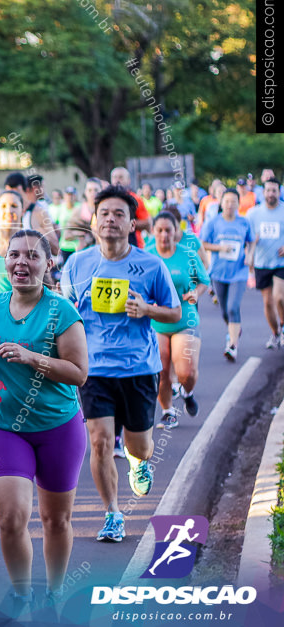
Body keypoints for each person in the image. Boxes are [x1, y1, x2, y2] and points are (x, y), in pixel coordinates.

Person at [0, 229, 88, 610]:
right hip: (6, 428)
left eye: (32, 256)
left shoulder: (62, 312)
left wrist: (32, 357)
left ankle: (54, 594)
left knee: (55, 520)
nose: (21, 262)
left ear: (48, 264)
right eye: (14, 255)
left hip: (58, 427)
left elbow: (78, 373)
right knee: (11, 518)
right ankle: (22, 594)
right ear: (5, 262)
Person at [60, 185, 180, 543]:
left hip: (139, 368)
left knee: (139, 445)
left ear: (132, 225)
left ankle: (139, 462)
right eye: (104, 214)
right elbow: (64, 312)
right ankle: (113, 513)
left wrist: (147, 310)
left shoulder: (150, 265)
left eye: (119, 215)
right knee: (98, 443)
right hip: (93, 369)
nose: (110, 220)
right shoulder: (77, 264)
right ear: (94, 222)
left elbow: (174, 312)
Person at [147, 212, 209, 428]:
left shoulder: (188, 254)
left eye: (168, 230)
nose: (164, 235)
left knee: (186, 373)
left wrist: (195, 293)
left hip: (185, 319)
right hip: (157, 322)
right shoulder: (147, 256)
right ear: (153, 232)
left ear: (176, 232)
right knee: (162, 371)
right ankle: (167, 411)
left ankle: (187, 391)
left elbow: (203, 281)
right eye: (160, 230)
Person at [200, 189, 254, 361]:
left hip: (239, 272)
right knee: (225, 311)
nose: (230, 205)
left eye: (233, 202)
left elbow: (251, 241)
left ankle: (232, 345)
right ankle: (234, 328)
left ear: (239, 203)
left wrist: (250, 254)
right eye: (227, 201)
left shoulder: (244, 222)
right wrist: (220, 248)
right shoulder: (213, 223)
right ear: (221, 203)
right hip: (218, 272)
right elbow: (203, 244)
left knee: (233, 307)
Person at [243, 177, 284, 349]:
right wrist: (250, 254)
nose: (271, 194)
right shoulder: (253, 214)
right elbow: (247, 238)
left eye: (274, 190)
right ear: (263, 192)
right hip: (261, 262)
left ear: (279, 192)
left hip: (280, 262)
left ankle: (283, 326)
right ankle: (275, 333)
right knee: (267, 303)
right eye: (268, 190)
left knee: (279, 297)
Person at [4, 172, 58, 254]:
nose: (11, 196)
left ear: (22, 189)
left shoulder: (39, 212)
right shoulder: (5, 215)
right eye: (8, 193)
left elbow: (56, 249)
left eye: (13, 192)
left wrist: (40, 234)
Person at [109, 167, 151, 246]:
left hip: (134, 244)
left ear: (128, 180)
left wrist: (124, 223)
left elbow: (147, 223)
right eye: (114, 177)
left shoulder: (136, 199)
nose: (117, 180)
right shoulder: (106, 200)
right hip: (112, 245)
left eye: (121, 177)